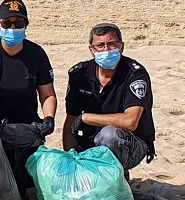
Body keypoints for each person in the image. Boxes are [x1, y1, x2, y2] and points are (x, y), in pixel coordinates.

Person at [0, 0, 57, 198]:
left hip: (28, 129)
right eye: (6, 24)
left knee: (28, 186)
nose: (12, 28)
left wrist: (48, 119)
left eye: (19, 23)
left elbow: (47, 94)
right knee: (0, 187)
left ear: (26, 25)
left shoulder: (37, 54)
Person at [62, 23, 156, 178]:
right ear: (91, 50)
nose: (106, 50)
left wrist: (86, 118)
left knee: (109, 135)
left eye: (112, 44)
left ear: (121, 47)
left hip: (129, 144)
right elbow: (70, 120)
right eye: (100, 45)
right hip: (90, 143)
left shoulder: (135, 74)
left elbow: (130, 122)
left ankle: (117, 178)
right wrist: (70, 157)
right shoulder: (79, 74)